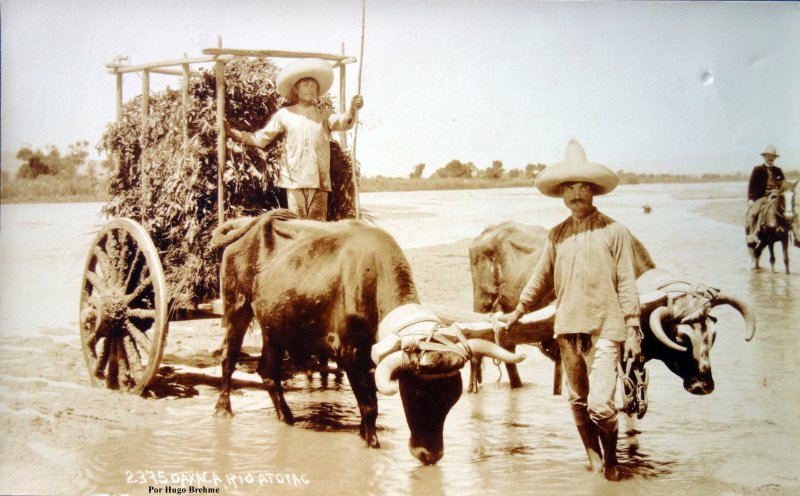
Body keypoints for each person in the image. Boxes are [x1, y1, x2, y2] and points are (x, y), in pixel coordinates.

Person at [500, 139, 642, 481]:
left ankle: (610, 460)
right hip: (567, 329)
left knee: (601, 405)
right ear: (562, 194)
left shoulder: (615, 231)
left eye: (583, 188)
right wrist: (517, 312)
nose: (577, 195)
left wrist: (634, 327)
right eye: (570, 189)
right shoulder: (556, 235)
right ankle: (593, 458)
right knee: (578, 402)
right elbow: (539, 278)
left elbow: (627, 280)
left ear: (593, 191)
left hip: (606, 328)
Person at [226, 58, 364, 221]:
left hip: (320, 180)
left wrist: (352, 110)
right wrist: (234, 133)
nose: (310, 89)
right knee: (298, 226)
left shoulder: (324, 114)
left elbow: (343, 122)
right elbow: (261, 139)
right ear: (295, 90)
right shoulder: (284, 114)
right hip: (294, 179)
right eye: (306, 85)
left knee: (317, 227)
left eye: (314, 86)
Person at [745, 145, 785, 246]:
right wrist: (750, 199)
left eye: (772, 156)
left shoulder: (778, 170)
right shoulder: (757, 169)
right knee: (754, 213)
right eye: (768, 156)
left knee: (790, 212)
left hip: (776, 197)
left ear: (775, 158)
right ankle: (752, 235)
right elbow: (751, 185)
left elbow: (784, 185)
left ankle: (796, 234)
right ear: (764, 157)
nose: (770, 158)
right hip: (762, 197)